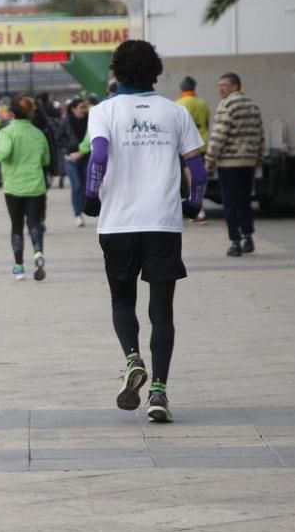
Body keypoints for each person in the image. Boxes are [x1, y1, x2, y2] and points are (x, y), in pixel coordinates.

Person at [82, 39, 207, 423]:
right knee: (163, 311)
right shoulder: (175, 112)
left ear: (116, 72)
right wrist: (194, 202)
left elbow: (99, 155)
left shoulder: (104, 111)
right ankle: (159, 393)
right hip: (162, 222)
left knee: (122, 301)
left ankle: (132, 359)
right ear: (155, 71)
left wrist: (91, 195)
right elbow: (198, 170)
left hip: (118, 222)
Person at [206, 72, 265, 257]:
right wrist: (258, 157)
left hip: (229, 162)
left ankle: (235, 242)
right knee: (245, 201)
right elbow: (260, 134)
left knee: (230, 203)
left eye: (224, 85)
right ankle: (248, 237)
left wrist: (210, 158)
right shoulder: (253, 106)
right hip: (248, 162)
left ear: (235, 86)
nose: (220, 88)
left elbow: (219, 134)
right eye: (219, 85)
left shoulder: (227, 105)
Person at [0, 96, 50, 281]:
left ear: (11, 113)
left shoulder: (6, 133)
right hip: (35, 185)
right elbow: (46, 160)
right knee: (34, 222)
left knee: (16, 224)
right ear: (31, 113)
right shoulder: (38, 134)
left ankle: (18, 266)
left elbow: (3, 153)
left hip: (13, 185)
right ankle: (38, 252)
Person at [176, 76, 210, 223]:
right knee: (199, 175)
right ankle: (198, 208)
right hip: (203, 143)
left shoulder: (179, 104)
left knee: (190, 178)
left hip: (187, 147)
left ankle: (198, 209)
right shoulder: (203, 103)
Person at [57, 97, 90, 226]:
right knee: (76, 185)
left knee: (85, 186)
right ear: (73, 109)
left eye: (85, 107)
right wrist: (69, 148)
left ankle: (81, 207)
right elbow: (58, 139)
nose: (84, 110)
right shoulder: (66, 122)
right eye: (81, 107)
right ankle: (77, 214)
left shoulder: (90, 121)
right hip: (70, 159)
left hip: (86, 158)